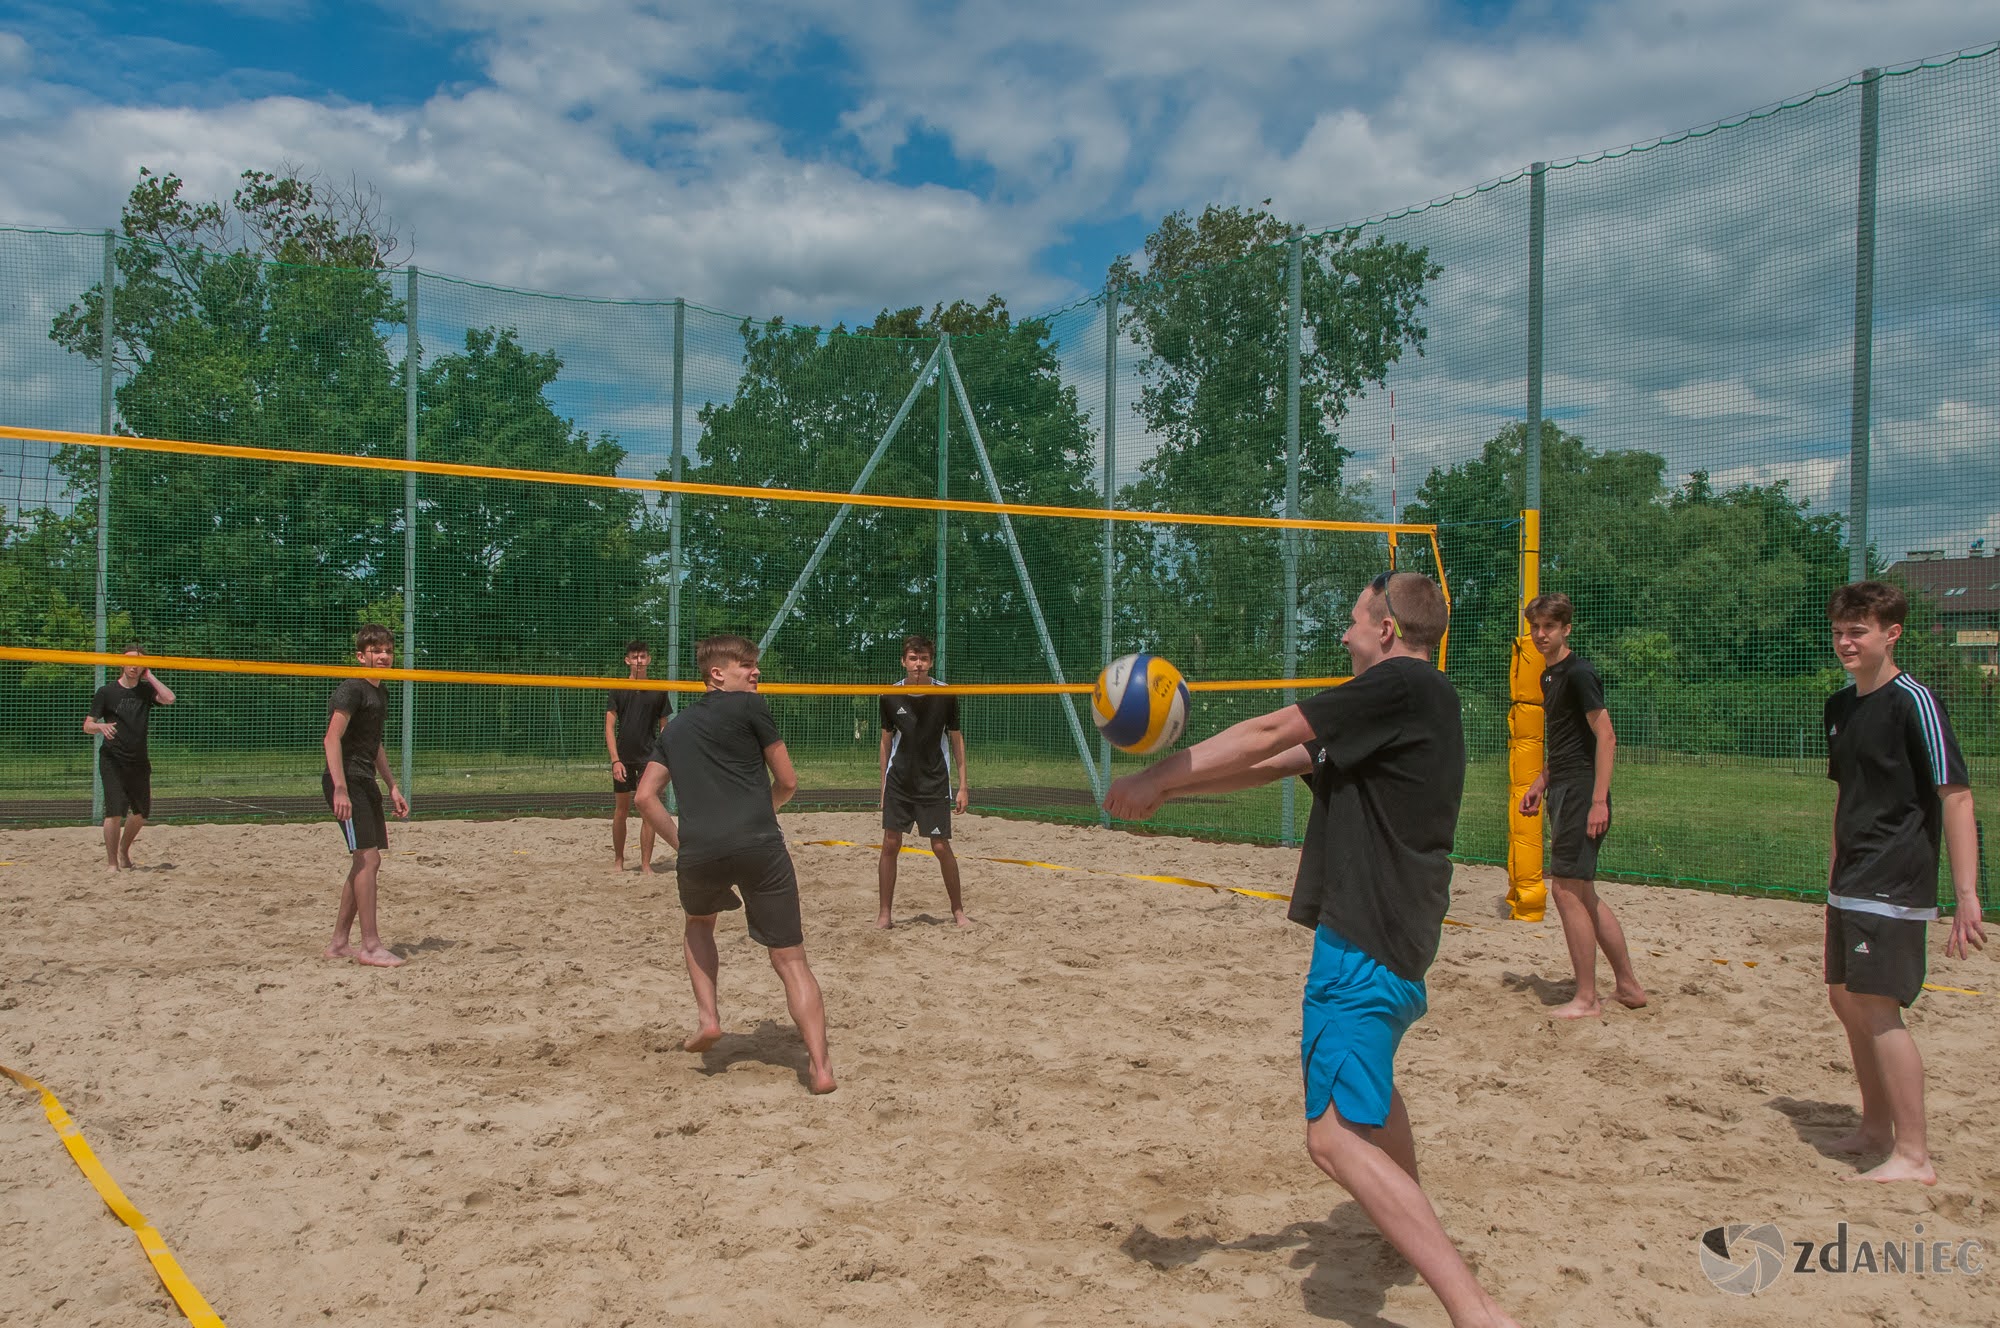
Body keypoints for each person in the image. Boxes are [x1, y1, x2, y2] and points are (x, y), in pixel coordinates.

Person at [1106, 572, 1522, 1328]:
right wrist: (1168, 792)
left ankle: (1478, 1314)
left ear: (1389, 630)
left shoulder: (1396, 687)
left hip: (1364, 935)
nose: (1345, 634)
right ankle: (1412, 1230)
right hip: (1400, 929)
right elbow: (1279, 764)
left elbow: (1270, 732)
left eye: (1356, 620)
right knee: (1375, 1085)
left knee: (1332, 1138)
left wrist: (1155, 771)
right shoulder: (1418, 704)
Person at [1821, 580, 1984, 1184]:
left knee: (1877, 1006)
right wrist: (1833, 875)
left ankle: (1914, 1155)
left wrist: (1966, 896)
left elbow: (1957, 797)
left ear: (1891, 634)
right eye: (1839, 631)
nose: (1845, 641)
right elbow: (1846, 798)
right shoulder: (1841, 707)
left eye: (1857, 631)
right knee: (1844, 997)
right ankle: (1874, 1128)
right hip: (1851, 878)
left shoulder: (1915, 700)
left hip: (1895, 878)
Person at [635, 634, 836, 1094]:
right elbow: (787, 781)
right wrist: (761, 812)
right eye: (745, 665)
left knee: (699, 926)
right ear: (716, 675)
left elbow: (646, 798)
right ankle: (820, 1069)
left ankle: (709, 1019)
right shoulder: (751, 708)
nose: (755, 671)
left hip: (699, 850)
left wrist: (682, 842)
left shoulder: (675, 729)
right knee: (790, 960)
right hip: (759, 844)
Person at [1517, 592, 1647, 1018]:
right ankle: (1627, 986)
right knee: (1582, 892)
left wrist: (1597, 802)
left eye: (1549, 627)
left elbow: (1605, 737)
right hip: (1564, 787)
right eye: (1535, 627)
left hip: (1583, 793)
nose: (1540, 634)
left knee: (1565, 888)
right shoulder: (1549, 676)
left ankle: (1586, 999)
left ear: (1565, 629)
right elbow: (1567, 743)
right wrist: (1540, 782)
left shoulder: (1578, 672)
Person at [321, 624, 410, 968]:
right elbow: (331, 739)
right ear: (361, 656)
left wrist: (392, 785)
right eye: (376, 651)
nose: (384, 655)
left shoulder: (379, 693)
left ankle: (339, 943)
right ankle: (370, 946)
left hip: (364, 779)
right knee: (368, 860)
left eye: (387, 649)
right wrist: (340, 787)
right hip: (347, 781)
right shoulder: (352, 689)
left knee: (365, 861)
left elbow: (374, 745)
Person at [877, 634, 971, 929]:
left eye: (924, 659)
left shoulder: (945, 694)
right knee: (891, 844)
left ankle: (958, 911)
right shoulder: (889, 694)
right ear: (904, 661)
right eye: (913, 659)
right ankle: (884, 915)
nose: (918, 665)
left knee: (940, 846)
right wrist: (882, 787)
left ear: (931, 662)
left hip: (933, 780)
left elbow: (956, 739)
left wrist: (963, 786)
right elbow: (885, 742)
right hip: (900, 781)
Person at [82, 645, 177, 870]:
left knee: (142, 813)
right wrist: (100, 726)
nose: (134, 666)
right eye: (130, 661)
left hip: (139, 759)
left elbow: (169, 698)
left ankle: (124, 850)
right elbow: (87, 725)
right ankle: (112, 863)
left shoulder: (144, 691)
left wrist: (150, 675)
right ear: (121, 663)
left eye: (139, 662)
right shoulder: (106, 692)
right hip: (113, 758)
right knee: (114, 812)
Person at [605, 639, 670, 875]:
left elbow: (665, 726)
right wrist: (615, 760)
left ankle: (645, 864)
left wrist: (662, 756)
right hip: (623, 757)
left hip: (649, 757)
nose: (639, 661)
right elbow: (609, 726)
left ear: (648, 659)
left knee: (647, 810)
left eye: (643, 656)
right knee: (621, 809)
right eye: (635, 657)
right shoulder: (619, 687)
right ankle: (619, 861)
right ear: (627, 660)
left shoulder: (658, 689)